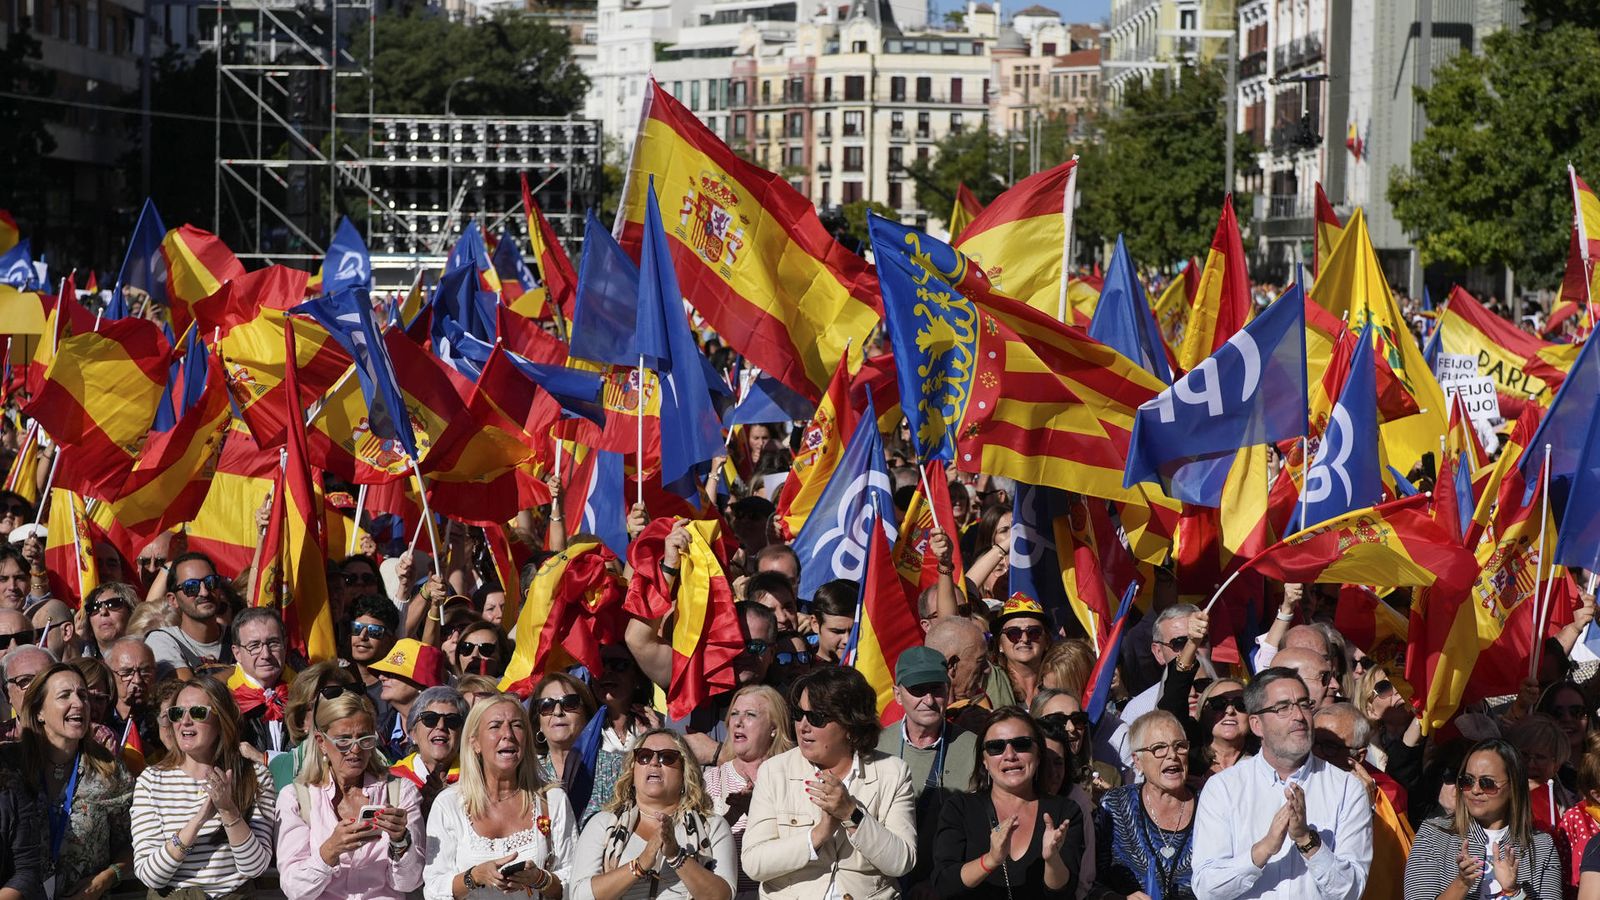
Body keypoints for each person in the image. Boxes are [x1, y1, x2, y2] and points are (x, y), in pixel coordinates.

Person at [1190, 667, 1372, 900]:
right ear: (1257, 725)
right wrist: (1263, 849)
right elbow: (1206, 888)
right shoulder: (1223, 789)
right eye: (1283, 707)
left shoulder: (1347, 789)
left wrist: (1308, 842)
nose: (1299, 715)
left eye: (1304, 704)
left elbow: (1352, 891)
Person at [741, 667, 917, 898]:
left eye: (817, 718)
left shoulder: (893, 772)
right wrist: (817, 836)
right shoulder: (774, 772)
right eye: (798, 714)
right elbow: (754, 862)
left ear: (850, 724)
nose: (803, 726)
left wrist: (852, 815)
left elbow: (902, 861)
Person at [130, 675, 277, 898]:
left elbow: (255, 867)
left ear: (222, 720)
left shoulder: (255, 777)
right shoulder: (151, 780)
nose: (185, 721)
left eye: (198, 712)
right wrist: (198, 821)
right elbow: (149, 875)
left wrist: (228, 811)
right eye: (177, 713)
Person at [421, 694, 576, 900]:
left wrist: (539, 878)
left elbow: (574, 881)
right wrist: (474, 876)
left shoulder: (552, 800)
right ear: (475, 743)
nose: (508, 734)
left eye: (517, 725)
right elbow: (433, 889)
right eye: (495, 726)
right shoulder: (449, 804)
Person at [1, 663, 135, 900]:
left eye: (83, 695)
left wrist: (104, 879)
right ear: (39, 712)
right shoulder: (11, 765)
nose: (79, 703)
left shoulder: (109, 771)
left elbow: (133, 844)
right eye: (65, 695)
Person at [276, 692, 425, 900]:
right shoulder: (297, 798)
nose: (355, 750)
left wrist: (400, 841)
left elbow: (409, 883)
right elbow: (294, 888)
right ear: (321, 742)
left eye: (365, 740)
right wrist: (330, 850)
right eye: (343, 740)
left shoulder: (399, 792)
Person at [928, 707, 1083, 898]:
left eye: (1021, 744)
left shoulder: (1064, 811)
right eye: (996, 747)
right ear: (984, 760)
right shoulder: (959, 808)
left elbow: (1064, 891)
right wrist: (990, 860)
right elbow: (944, 884)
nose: (1010, 755)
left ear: (1038, 753)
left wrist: (1052, 859)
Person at [569, 730, 737, 900]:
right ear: (633, 771)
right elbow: (579, 895)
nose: (654, 762)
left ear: (685, 772)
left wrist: (676, 856)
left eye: (667, 757)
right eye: (644, 756)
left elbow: (723, 896)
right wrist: (640, 864)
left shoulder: (712, 826)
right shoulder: (603, 824)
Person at [873, 645, 978, 892]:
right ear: (897, 695)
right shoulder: (874, 746)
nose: (929, 700)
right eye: (918, 690)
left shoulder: (975, 748)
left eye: (936, 689)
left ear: (948, 690)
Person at [1405, 738, 1564, 900]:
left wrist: (1514, 892)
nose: (1475, 790)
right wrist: (1462, 883)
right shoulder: (1433, 834)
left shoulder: (1541, 845)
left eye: (1487, 783)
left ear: (1513, 786)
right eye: (1467, 781)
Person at [702, 685, 792, 900]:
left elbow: (806, 842)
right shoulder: (710, 780)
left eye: (750, 714)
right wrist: (732, 816)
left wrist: (757, 812)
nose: (738, 721)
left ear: (774, 727)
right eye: (734, 714)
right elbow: (698, 849)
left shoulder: (793, 775)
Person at [1100, 710, 1196, 900]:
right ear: (1138, 761)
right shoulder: (1115, 805)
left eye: (1180, 746)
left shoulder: (1209, 804)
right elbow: (1091, 881)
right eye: (1159, 748)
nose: (1173, 756)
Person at [531, 673, 621, 827]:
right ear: (538, 721)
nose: (558, 711)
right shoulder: (529, 775)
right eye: (547, 705)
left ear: (587, 715)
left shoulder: (617, 768)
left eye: (570, 703)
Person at [268, 660, 364, 791]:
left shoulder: (373, 757)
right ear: (302, 720)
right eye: (326, 705)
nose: (338, 712)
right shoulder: (284, 767)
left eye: (343, 702)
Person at [145, 553, 230, 680]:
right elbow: (188, 691)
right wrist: (241, 672)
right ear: (173, 600)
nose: (204, 592)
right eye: (191, 587)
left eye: (210, 582)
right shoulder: (163, 640)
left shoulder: (239, 637)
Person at [228, 608, 293, 762]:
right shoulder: (225, 701)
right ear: (237, 653)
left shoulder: (307, 694)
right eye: (254, 646)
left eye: (273, 643)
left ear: (285, 644)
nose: (266, 654)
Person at [390, 686, 467, 815]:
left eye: (452, 720)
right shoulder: (393, 780)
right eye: (430, 719)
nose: (441, 726)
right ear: (413, 733)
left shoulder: (477, 777)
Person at [371, 638, 447, 760]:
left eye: (392, 673)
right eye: (383, 672)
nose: (381, 677)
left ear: (421, 684)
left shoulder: (447, 728)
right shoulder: (376, 728)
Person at [925, 617, 992, 734]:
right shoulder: (908, 708)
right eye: (980, 661)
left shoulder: (980, 699)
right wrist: (957, 731)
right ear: (952, 665)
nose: (987, 670)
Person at [986, 595, 1052, 709]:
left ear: (1046, 641)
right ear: (1000, 644)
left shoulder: (1061, 680)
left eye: (1034, 632)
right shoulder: (989, 679)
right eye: (1013, 633)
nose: (1025, 639)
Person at [106, 637, 162, 759]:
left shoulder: (165, 719)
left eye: (145, 671)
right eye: (126, 673)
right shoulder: (101, 718)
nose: (137, 680)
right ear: (110, 675)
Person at [347, 594, 400, 721]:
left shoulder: (397, 688)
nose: (362, 636)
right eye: (357, 628)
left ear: (392, 641)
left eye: (374, 631)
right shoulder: (336, 681)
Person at [78, 583, 136, 660]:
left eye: (113, 604)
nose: (103, 612)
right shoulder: (78, 667)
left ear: (131, 613)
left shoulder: (150, 652)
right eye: (94, 608)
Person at [809, 581, 857, 665]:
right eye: (837, 631)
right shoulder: (801, 668)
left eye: (854, 631)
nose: (847, 640)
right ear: (815, 624)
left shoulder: (873, 666)